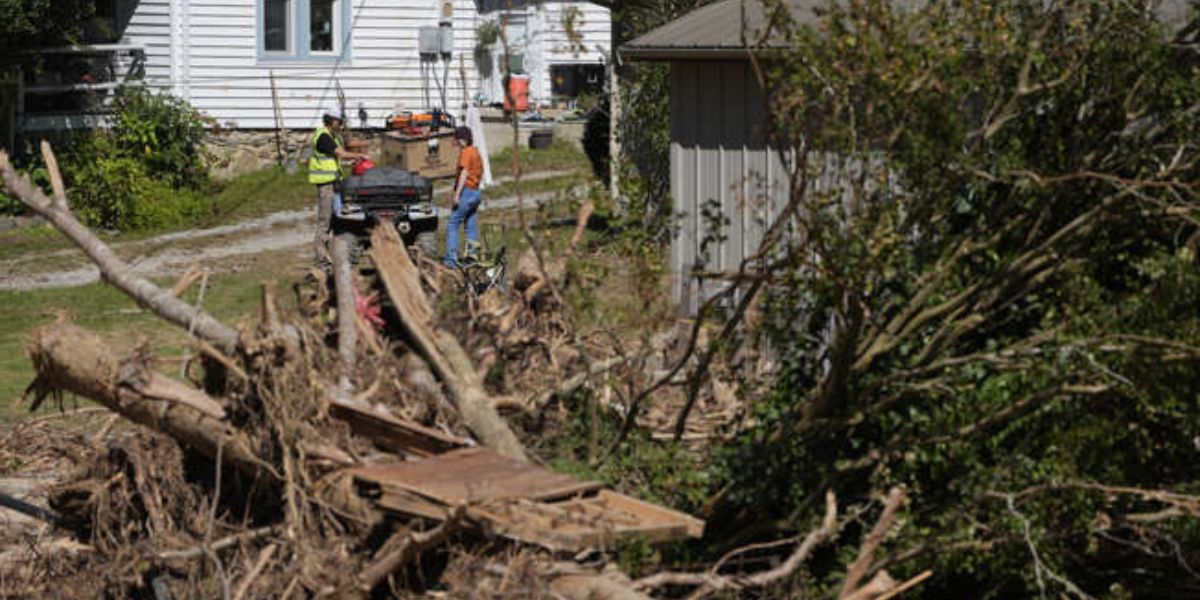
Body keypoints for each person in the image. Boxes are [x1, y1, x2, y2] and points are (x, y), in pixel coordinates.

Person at [309, 107, 366, 266]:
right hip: (326, 186)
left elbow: (335, 161)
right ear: (331, 121)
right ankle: (320, 259)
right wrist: (359, 155)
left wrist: (349, 163)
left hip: (334, 183)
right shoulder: (323, 137)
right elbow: (340, 153)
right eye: (338, 121)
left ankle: (335, 254)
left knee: (337, 220)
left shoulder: (331, 136)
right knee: (325, 221)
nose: (340, 124)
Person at [444, 126, 484, 267]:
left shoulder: (466, 152)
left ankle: (451, 260)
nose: (455, 142)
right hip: (476, 191)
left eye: (456, 139)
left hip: (466, 192)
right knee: (471, 226)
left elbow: (464, 173)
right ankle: (473, 256)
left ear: (462, 139)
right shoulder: (476, 151)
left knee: (452, 224)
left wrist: (457, 195)